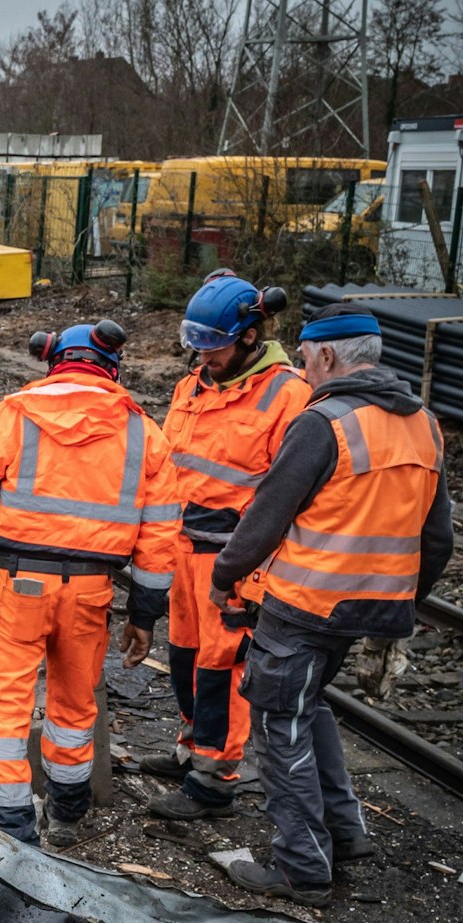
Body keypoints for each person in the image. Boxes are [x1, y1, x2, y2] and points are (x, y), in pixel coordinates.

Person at [209, 303, 452, 904]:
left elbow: (266, 517)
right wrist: (399, 597)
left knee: (277, 722)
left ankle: (301, 867)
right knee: (308, 707)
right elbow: (438, 539)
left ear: (325, 356)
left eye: (306, 362)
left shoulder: (325, 423)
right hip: (370, 609)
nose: (304, 375)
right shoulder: (424, 424)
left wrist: (224, 575)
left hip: (307, 607)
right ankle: (346, 833)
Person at [0, 321, 183, 847]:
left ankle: (11, 828)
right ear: (111, 366)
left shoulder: (14, 413)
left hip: (16, 585)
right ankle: (67, 817)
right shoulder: (145, 432)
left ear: (53, 361)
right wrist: (144, 616)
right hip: (90, 592)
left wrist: (11, 517)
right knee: (75, 706)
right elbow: (162, 536)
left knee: (6, 706)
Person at [141, 272, 311, 821]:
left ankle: (214, 781)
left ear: (249, 336)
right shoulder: (192, 386)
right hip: (183, 549)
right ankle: (191, 749)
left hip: (232, 561)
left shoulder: (289, 395)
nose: (203, 357)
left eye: (213, 347)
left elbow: (290, 492)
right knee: (185, 656)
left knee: (223, 667)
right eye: (199, 346)